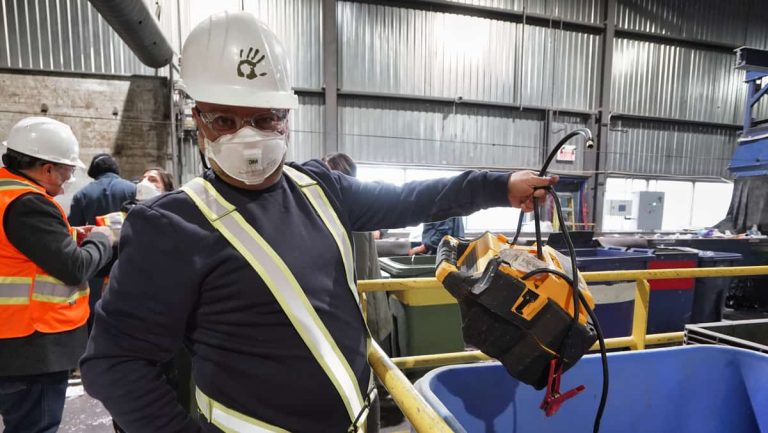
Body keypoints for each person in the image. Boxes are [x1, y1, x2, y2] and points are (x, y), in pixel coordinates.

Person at [80, 12, 556, 433]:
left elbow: (413, 197)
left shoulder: (321, 188)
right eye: (226, 120)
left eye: (265, 118)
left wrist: (498, 186)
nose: (248, 138)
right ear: (197, 118)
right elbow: (115, 363)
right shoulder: (170, 226)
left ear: (287, 116)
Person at [0, 117, 114, 433]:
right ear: (46, 168)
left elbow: (17, 250)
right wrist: (103, 238)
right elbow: (74, 267)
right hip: (31, 346)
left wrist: (71, 233)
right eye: (66, 171)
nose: (66, 180)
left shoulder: (7, 195)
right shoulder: (29, 204)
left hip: (12, 340)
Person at [68, 153, 136, 226]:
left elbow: (74, 227)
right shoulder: (134, 189)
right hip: (127, 237)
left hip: (94, 236)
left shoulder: (81, 195)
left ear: (93, 173)